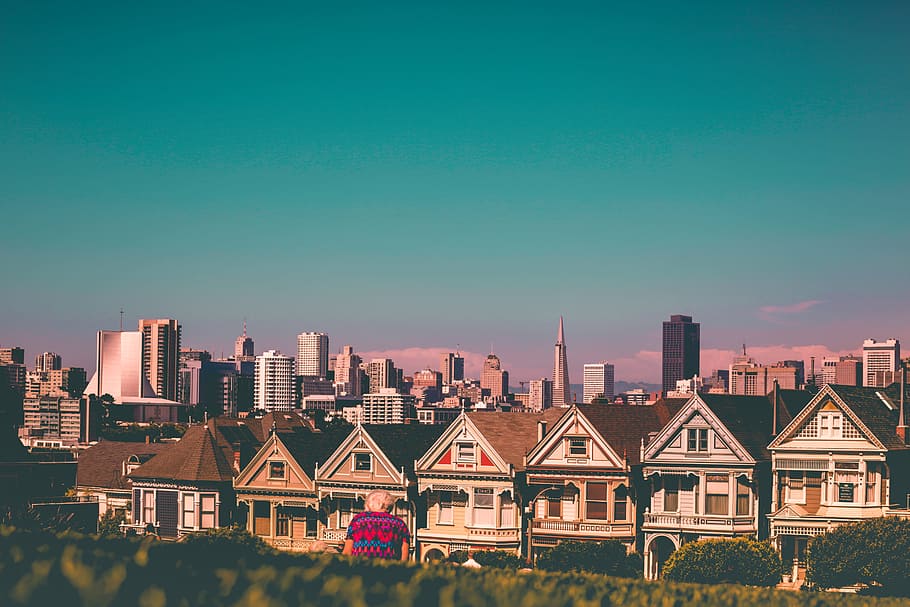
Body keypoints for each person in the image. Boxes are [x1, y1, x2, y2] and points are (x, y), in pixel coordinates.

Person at [342, 490, 410, 561]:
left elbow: (347, 552)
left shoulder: (358, 520)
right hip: (388, 568)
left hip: (360, 567)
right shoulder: (399, 524)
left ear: (368, 504)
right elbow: (404, 557)